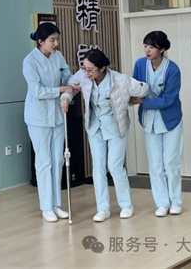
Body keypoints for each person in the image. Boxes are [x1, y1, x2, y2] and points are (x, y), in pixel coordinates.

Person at [60, 49, 148, 222]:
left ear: (102, 68)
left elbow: (143, 89)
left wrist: (134, 100)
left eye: (90, 70)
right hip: (95, 127)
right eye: (84, 69)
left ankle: (126, 205)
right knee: (98, 167)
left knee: (114, 166)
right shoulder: (84, 75)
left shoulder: (120, 80)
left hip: (116, 127)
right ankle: (103, 208)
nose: (86, 73)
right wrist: (66, 97)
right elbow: (71, 87)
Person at [23, 22, 78, 223]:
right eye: (52, 40)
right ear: (41, 41)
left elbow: (67, 76)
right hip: (38, 118)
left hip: (57, 115)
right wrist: (61, 90)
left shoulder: (58, 56)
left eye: (57, 39)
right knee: (44, 161)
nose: (56, 43)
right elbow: (38, 91)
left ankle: (56, 204)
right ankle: (46, 207)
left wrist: (70, 88)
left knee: (58, 160)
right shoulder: (29, 61)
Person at [131, 31, 183, 217]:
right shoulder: (140, 64)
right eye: (145, 46)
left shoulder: (172, 69)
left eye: (151, 47)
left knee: (171, 162)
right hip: (149, 121)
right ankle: (162, 203)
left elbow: (169, 99)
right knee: (155, 164)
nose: (147, 50)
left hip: (170, 121)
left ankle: (175, 201)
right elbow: (134, 87)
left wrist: (144, 102)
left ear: (162, 49)